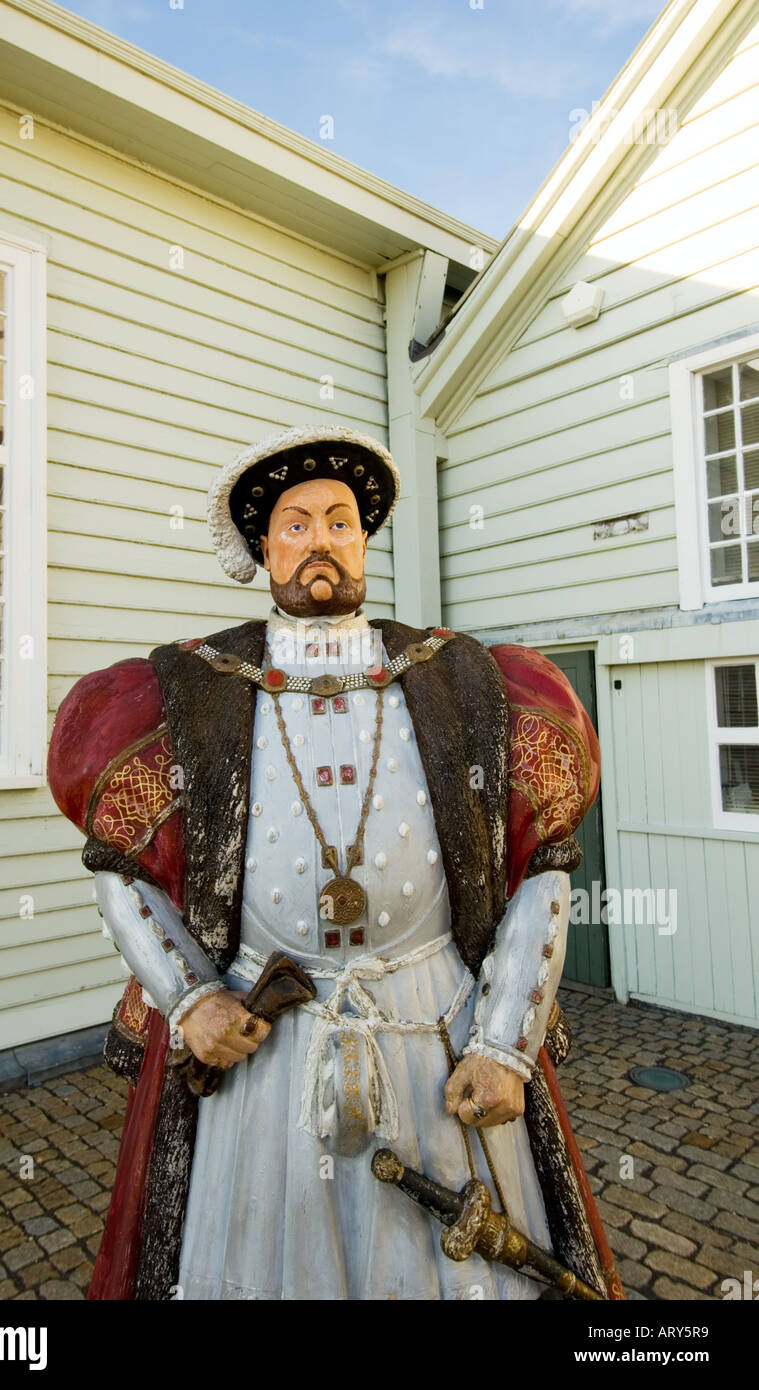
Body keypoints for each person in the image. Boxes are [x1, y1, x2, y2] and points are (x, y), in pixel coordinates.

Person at [49, 425, 615, 1301]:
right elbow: (118, 865)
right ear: (263, 547)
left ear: (364, 540)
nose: (321, 541)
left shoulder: (462, 680)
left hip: (436, 1035)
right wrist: (191, 1001)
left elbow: (543, 870)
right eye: (296, 523)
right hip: (268, 1047)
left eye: (340, 522)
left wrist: (505, 1044)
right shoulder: (188, 692)